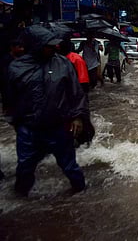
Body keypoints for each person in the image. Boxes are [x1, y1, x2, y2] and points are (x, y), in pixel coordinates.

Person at [4, 25, 89, 196]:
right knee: (24, 168)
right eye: (49, 45)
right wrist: (17, 124)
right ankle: (20, 200)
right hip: (29, 130)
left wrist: (78, 117)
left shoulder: (62, 63)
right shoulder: (16, 68)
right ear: (36, 45)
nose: (55, 47)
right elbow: (9, 100)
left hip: (59, 128)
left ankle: (82, 194)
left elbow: (76, 93)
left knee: (70, 167)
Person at [0, 37, 24, 181]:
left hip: (21, 104)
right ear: (13, 47)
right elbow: (6, 85)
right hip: (12, 104)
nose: (22, 49)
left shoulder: (22, 61)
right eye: (19, 47)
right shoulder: (6, 63)